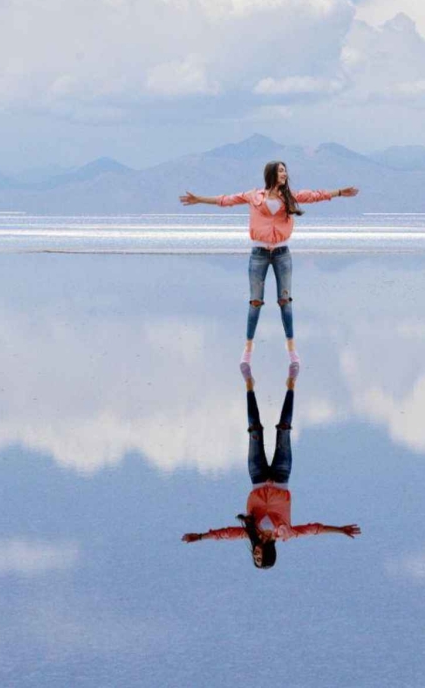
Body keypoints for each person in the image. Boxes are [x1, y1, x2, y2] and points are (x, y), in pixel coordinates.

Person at [179, 160, 358, 372]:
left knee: (285, 301)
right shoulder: (254, 196)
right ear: (272, 173)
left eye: (285, 171)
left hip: (282, 253)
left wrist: (338, 192)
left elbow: (314, 195)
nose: (285, 174)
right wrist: (199, 199)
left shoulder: (289, 197)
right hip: (259, 254)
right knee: (255, 301)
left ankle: (291, 348)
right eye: (281, 170)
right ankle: (248, 349)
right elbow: (225, 200)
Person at [181, 368, 359, 568]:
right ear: (268, 554)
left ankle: (249, 386)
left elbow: (226, 534)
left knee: (254, 428)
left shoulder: (251, 532)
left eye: (254, 558)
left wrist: (201, 536)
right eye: (259, 558)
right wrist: (339, 530)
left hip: (257, 477)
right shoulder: (286, 534)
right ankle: (291, 386)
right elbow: (314, 529)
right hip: (281, 476)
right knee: (284, 428)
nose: (256, 555)